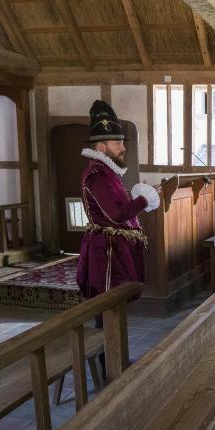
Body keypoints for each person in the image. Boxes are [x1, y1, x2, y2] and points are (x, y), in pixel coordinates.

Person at [76, 99, 160, 305]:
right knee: (107, 305)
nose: (123, 148)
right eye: (118, 143)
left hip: (114, 250)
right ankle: (105, 337)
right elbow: (116, 214)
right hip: (107, 253)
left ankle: (109, 336)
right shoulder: (96, 174)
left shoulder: (107, 171)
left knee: (115, 305)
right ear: (102, 147)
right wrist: (143, 199)